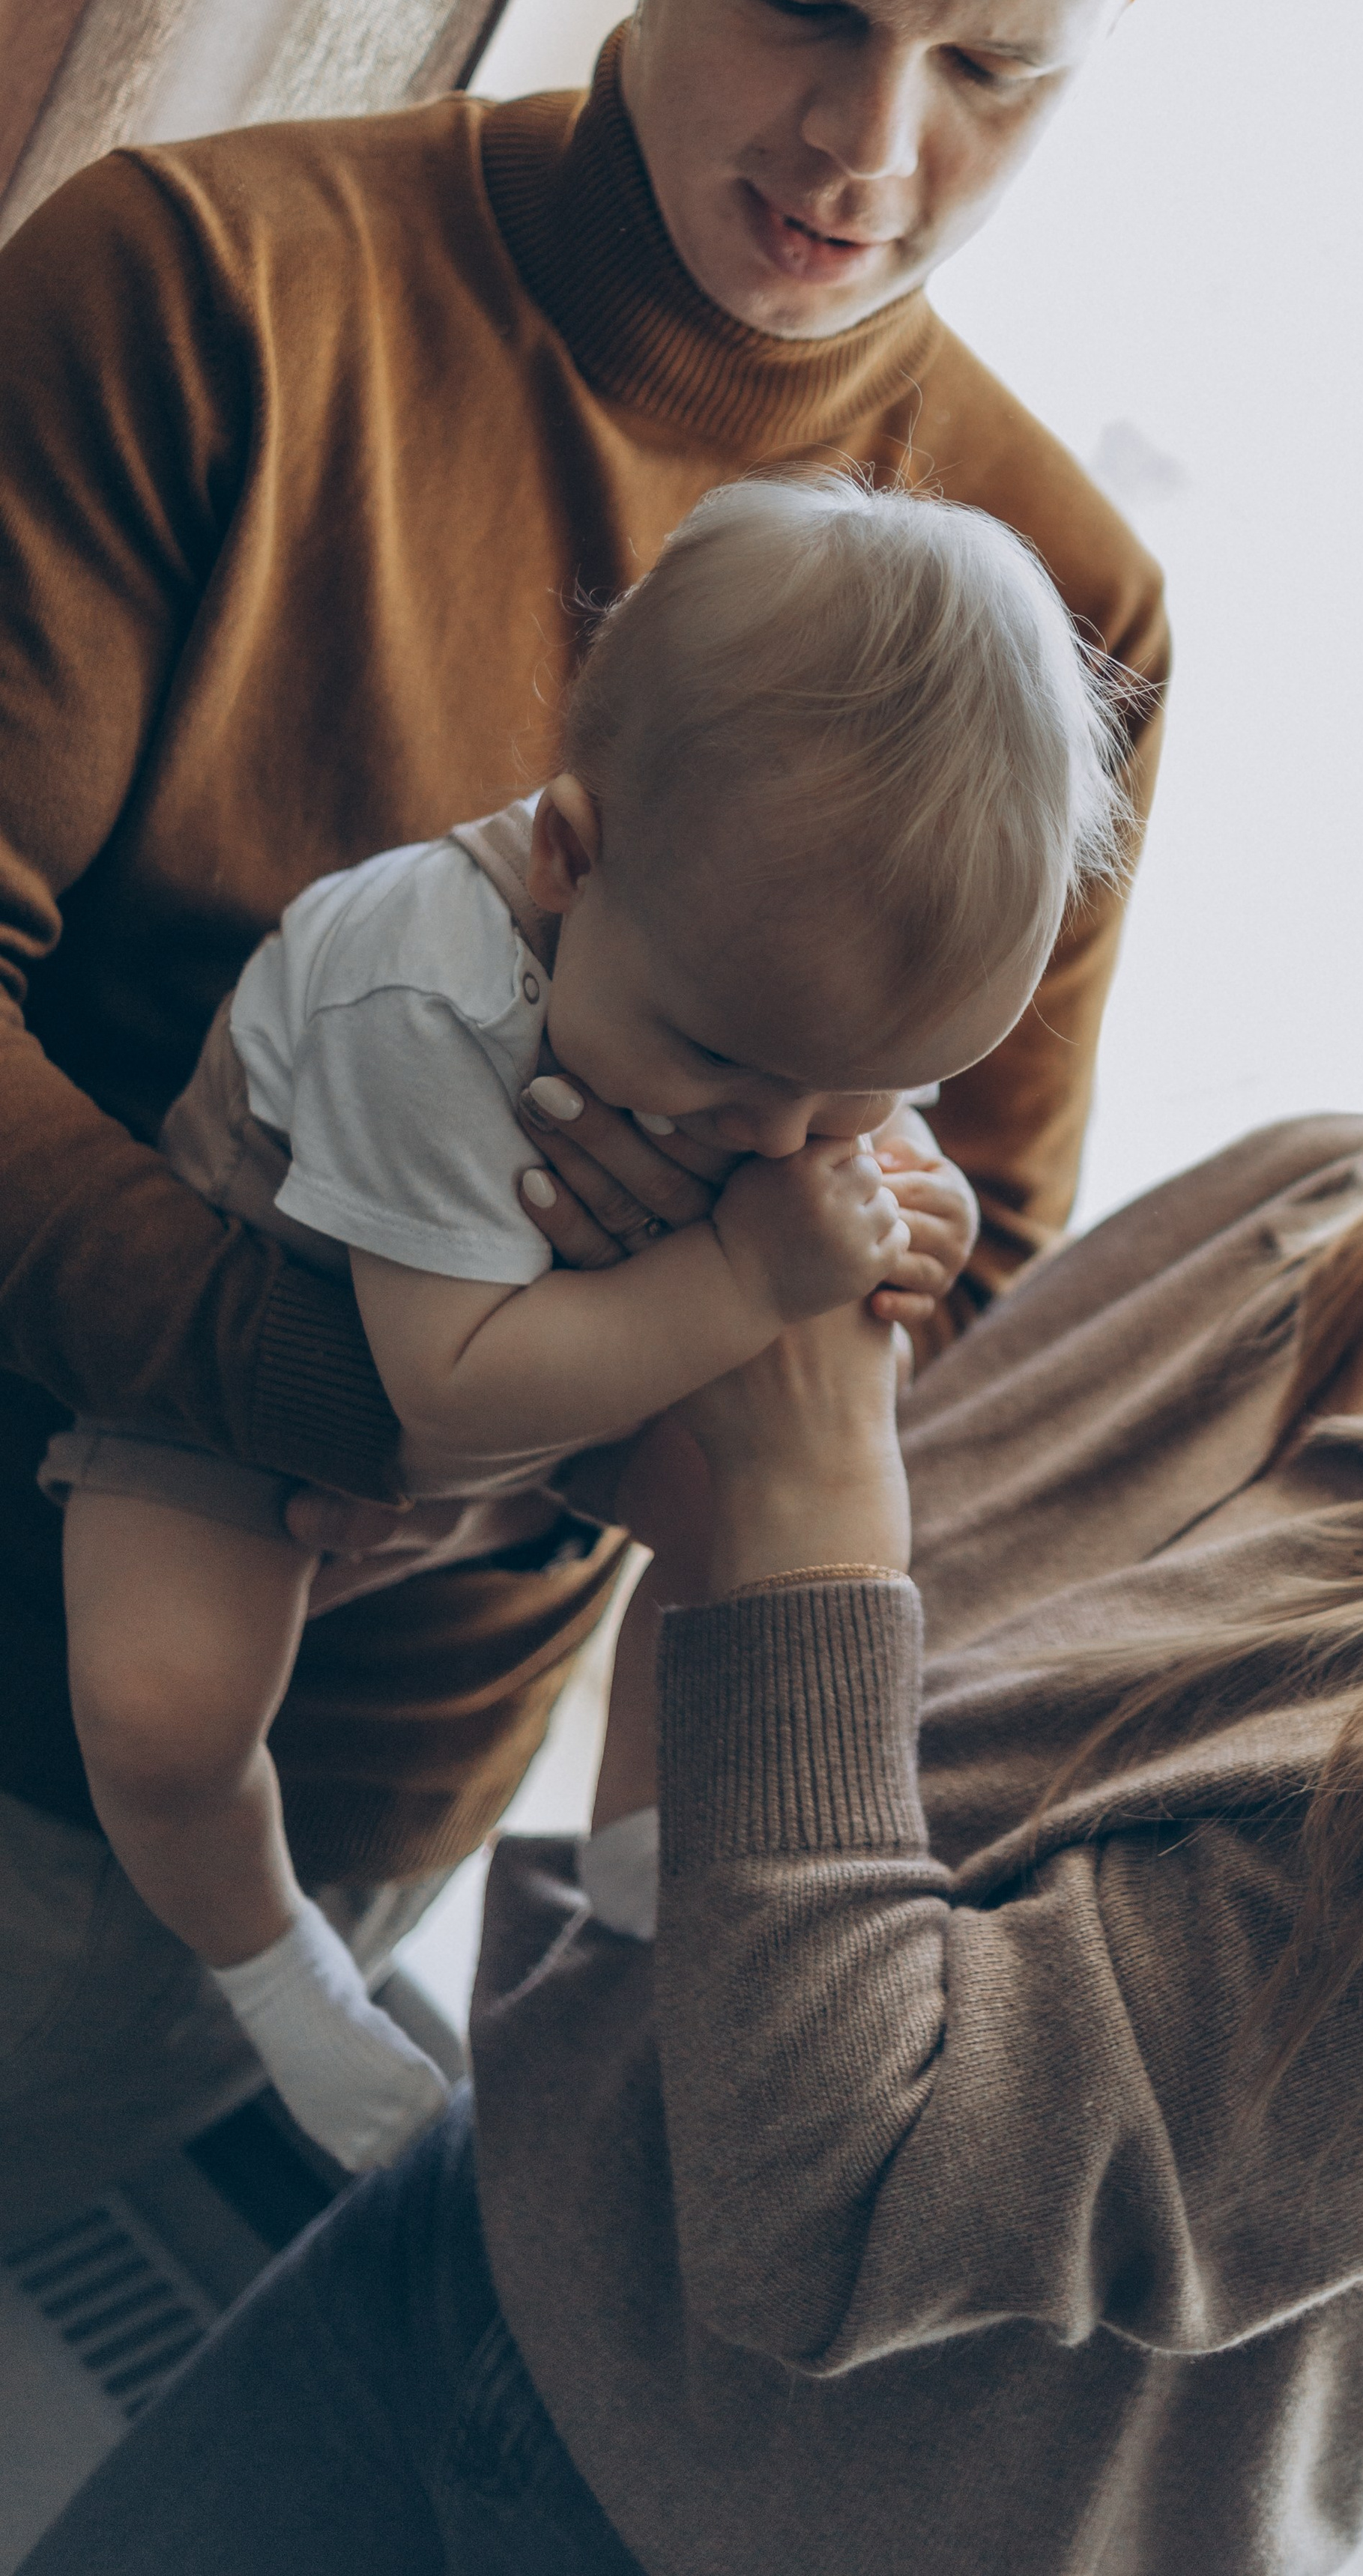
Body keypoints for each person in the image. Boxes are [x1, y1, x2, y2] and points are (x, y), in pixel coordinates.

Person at [27, 628, 1363, 2575]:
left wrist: (807, 1473)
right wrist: (531, 1456)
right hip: (504, 2226)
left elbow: (829, 2215)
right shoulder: (1309, 1209)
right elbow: (838, 1678)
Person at [0, 0, 1197, 2221]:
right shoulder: (197, 290)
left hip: (314, 1810)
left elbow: (940, 1321)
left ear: (1125, 38)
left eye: (993, 61)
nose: (870, 151)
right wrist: (332, 1377)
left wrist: (561, 1424)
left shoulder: (1061, 609)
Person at [41, 473, 1122, 2172]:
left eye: (872, 1086)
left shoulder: (769, 1007)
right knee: (163, 1705)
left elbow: (886, 1171)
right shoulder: (426, 989)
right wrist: (751, 1278)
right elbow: (442, 1399)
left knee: (748, 1520)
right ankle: (269, 1962)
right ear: (565, 854)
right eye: (722, 1066)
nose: (781, 1135)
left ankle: (641, 1855)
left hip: (566, 1343)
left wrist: (923, 1208)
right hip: (272, 1335)